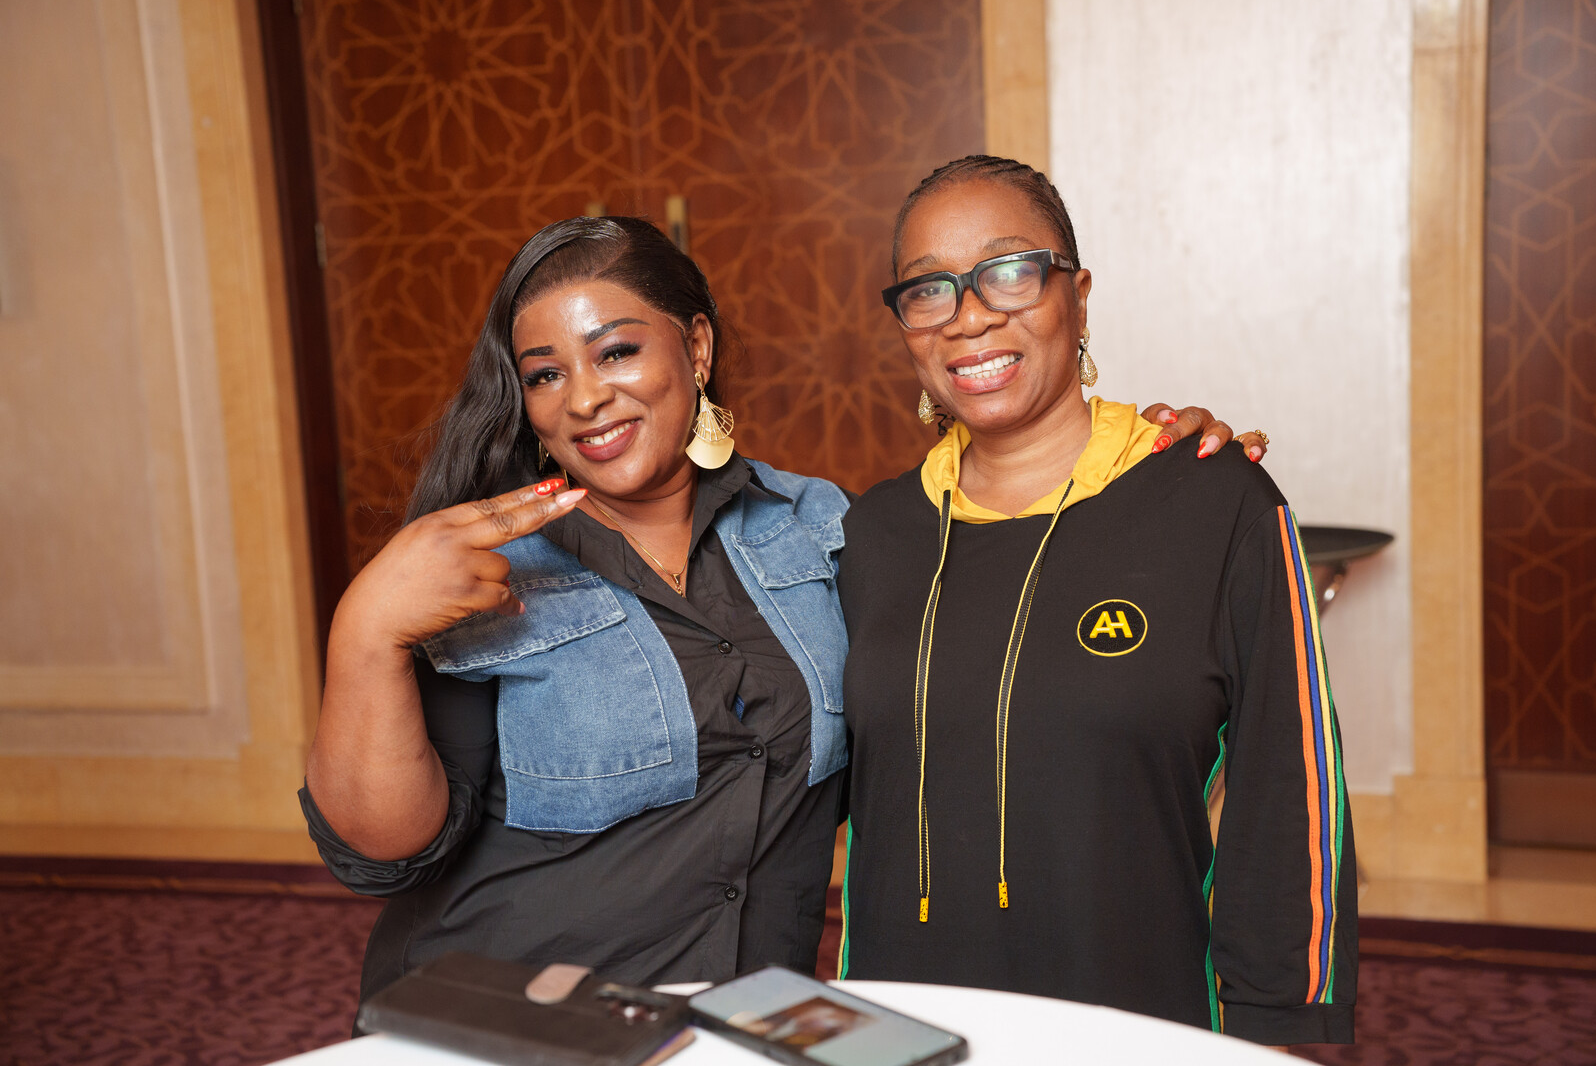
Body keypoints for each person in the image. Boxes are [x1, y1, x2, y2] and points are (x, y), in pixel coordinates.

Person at [298, 215, 1257, 1003]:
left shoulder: (824, 530)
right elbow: (384, 854)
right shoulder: (483, 567)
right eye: (546, 373)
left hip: (742, 1024)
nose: (584, 398)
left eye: (616, 351)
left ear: (697, 347)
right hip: (514, 1023)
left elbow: (985, 648)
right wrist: (365, 628)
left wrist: (1144, 466)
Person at [835, 156, 1355, 1047]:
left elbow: (1288, 787)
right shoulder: (868, 535)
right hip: (904, 1030)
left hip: (1138, 1026)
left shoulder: (1214, 501)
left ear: (1076, 297)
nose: (969, 315)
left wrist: (1275, 1024)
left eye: (1008, 271)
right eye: (929, 289)